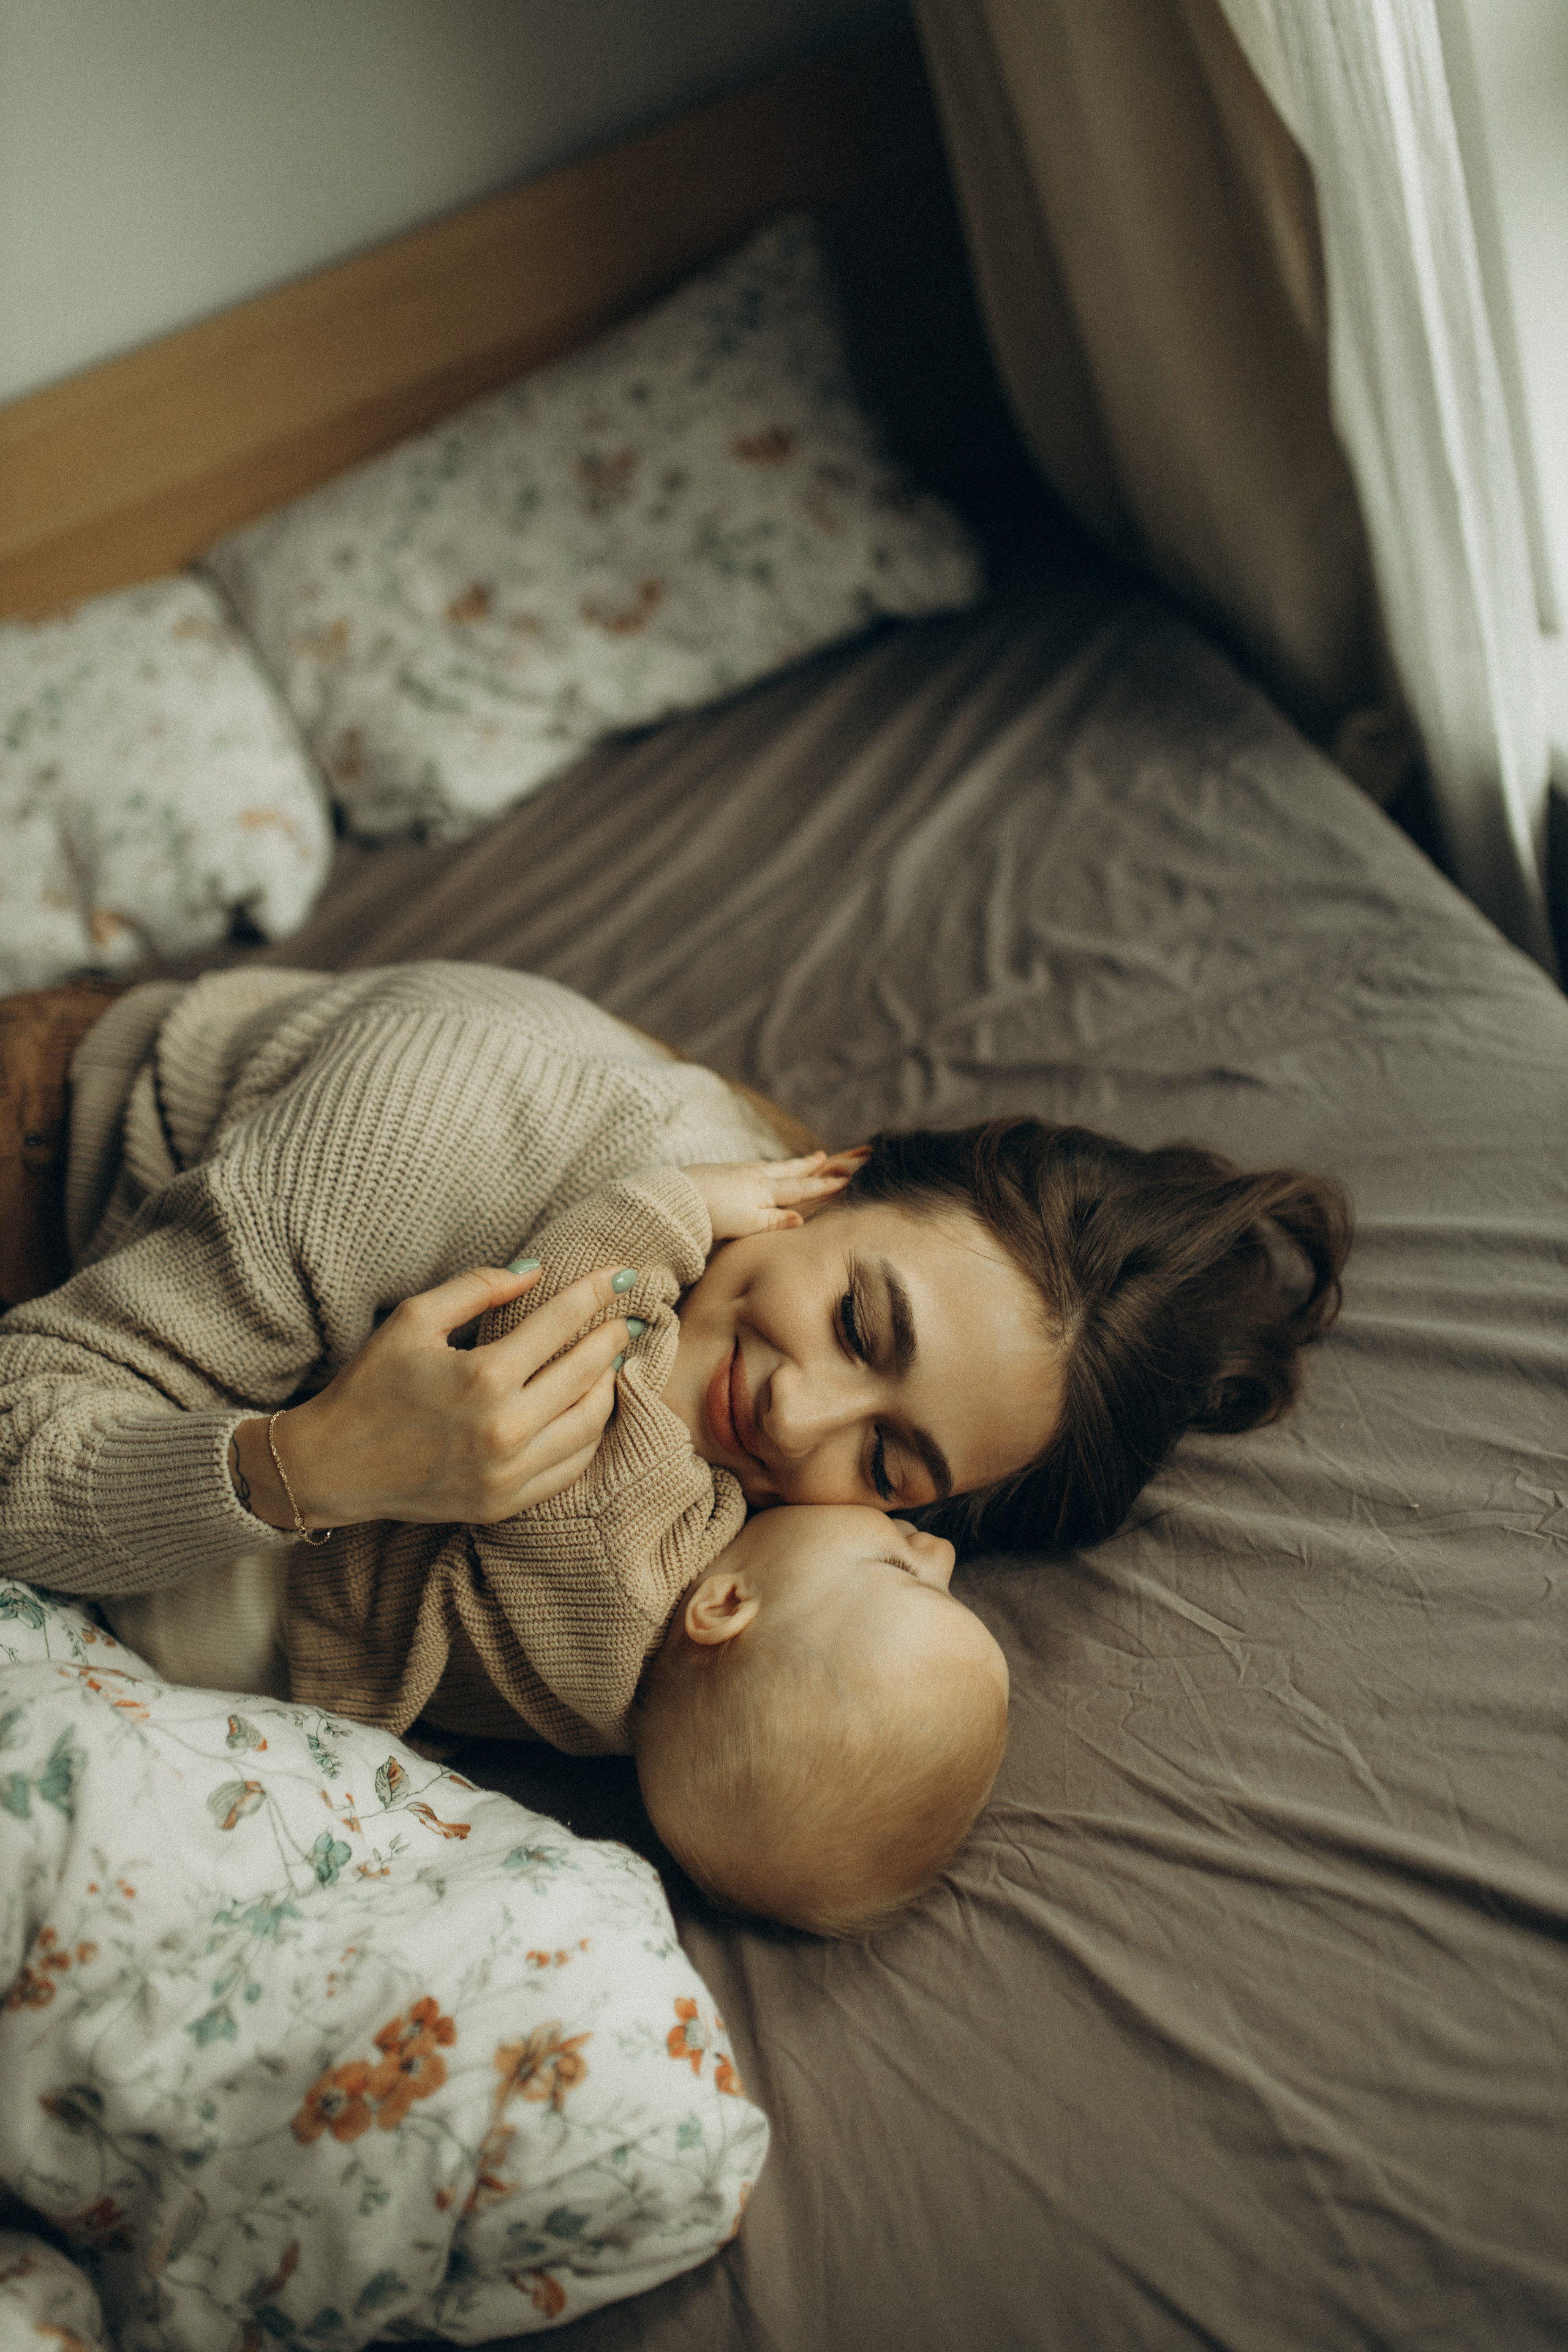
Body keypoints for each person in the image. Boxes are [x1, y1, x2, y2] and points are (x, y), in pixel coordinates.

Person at [0, 957, 1351, 1608]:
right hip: (51, 1140)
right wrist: (313, 1466)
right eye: (858, 1323)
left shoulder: (768, 1367)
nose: (797, 1421)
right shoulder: (437, 1130)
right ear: (823, 1177)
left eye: (888, 1461)